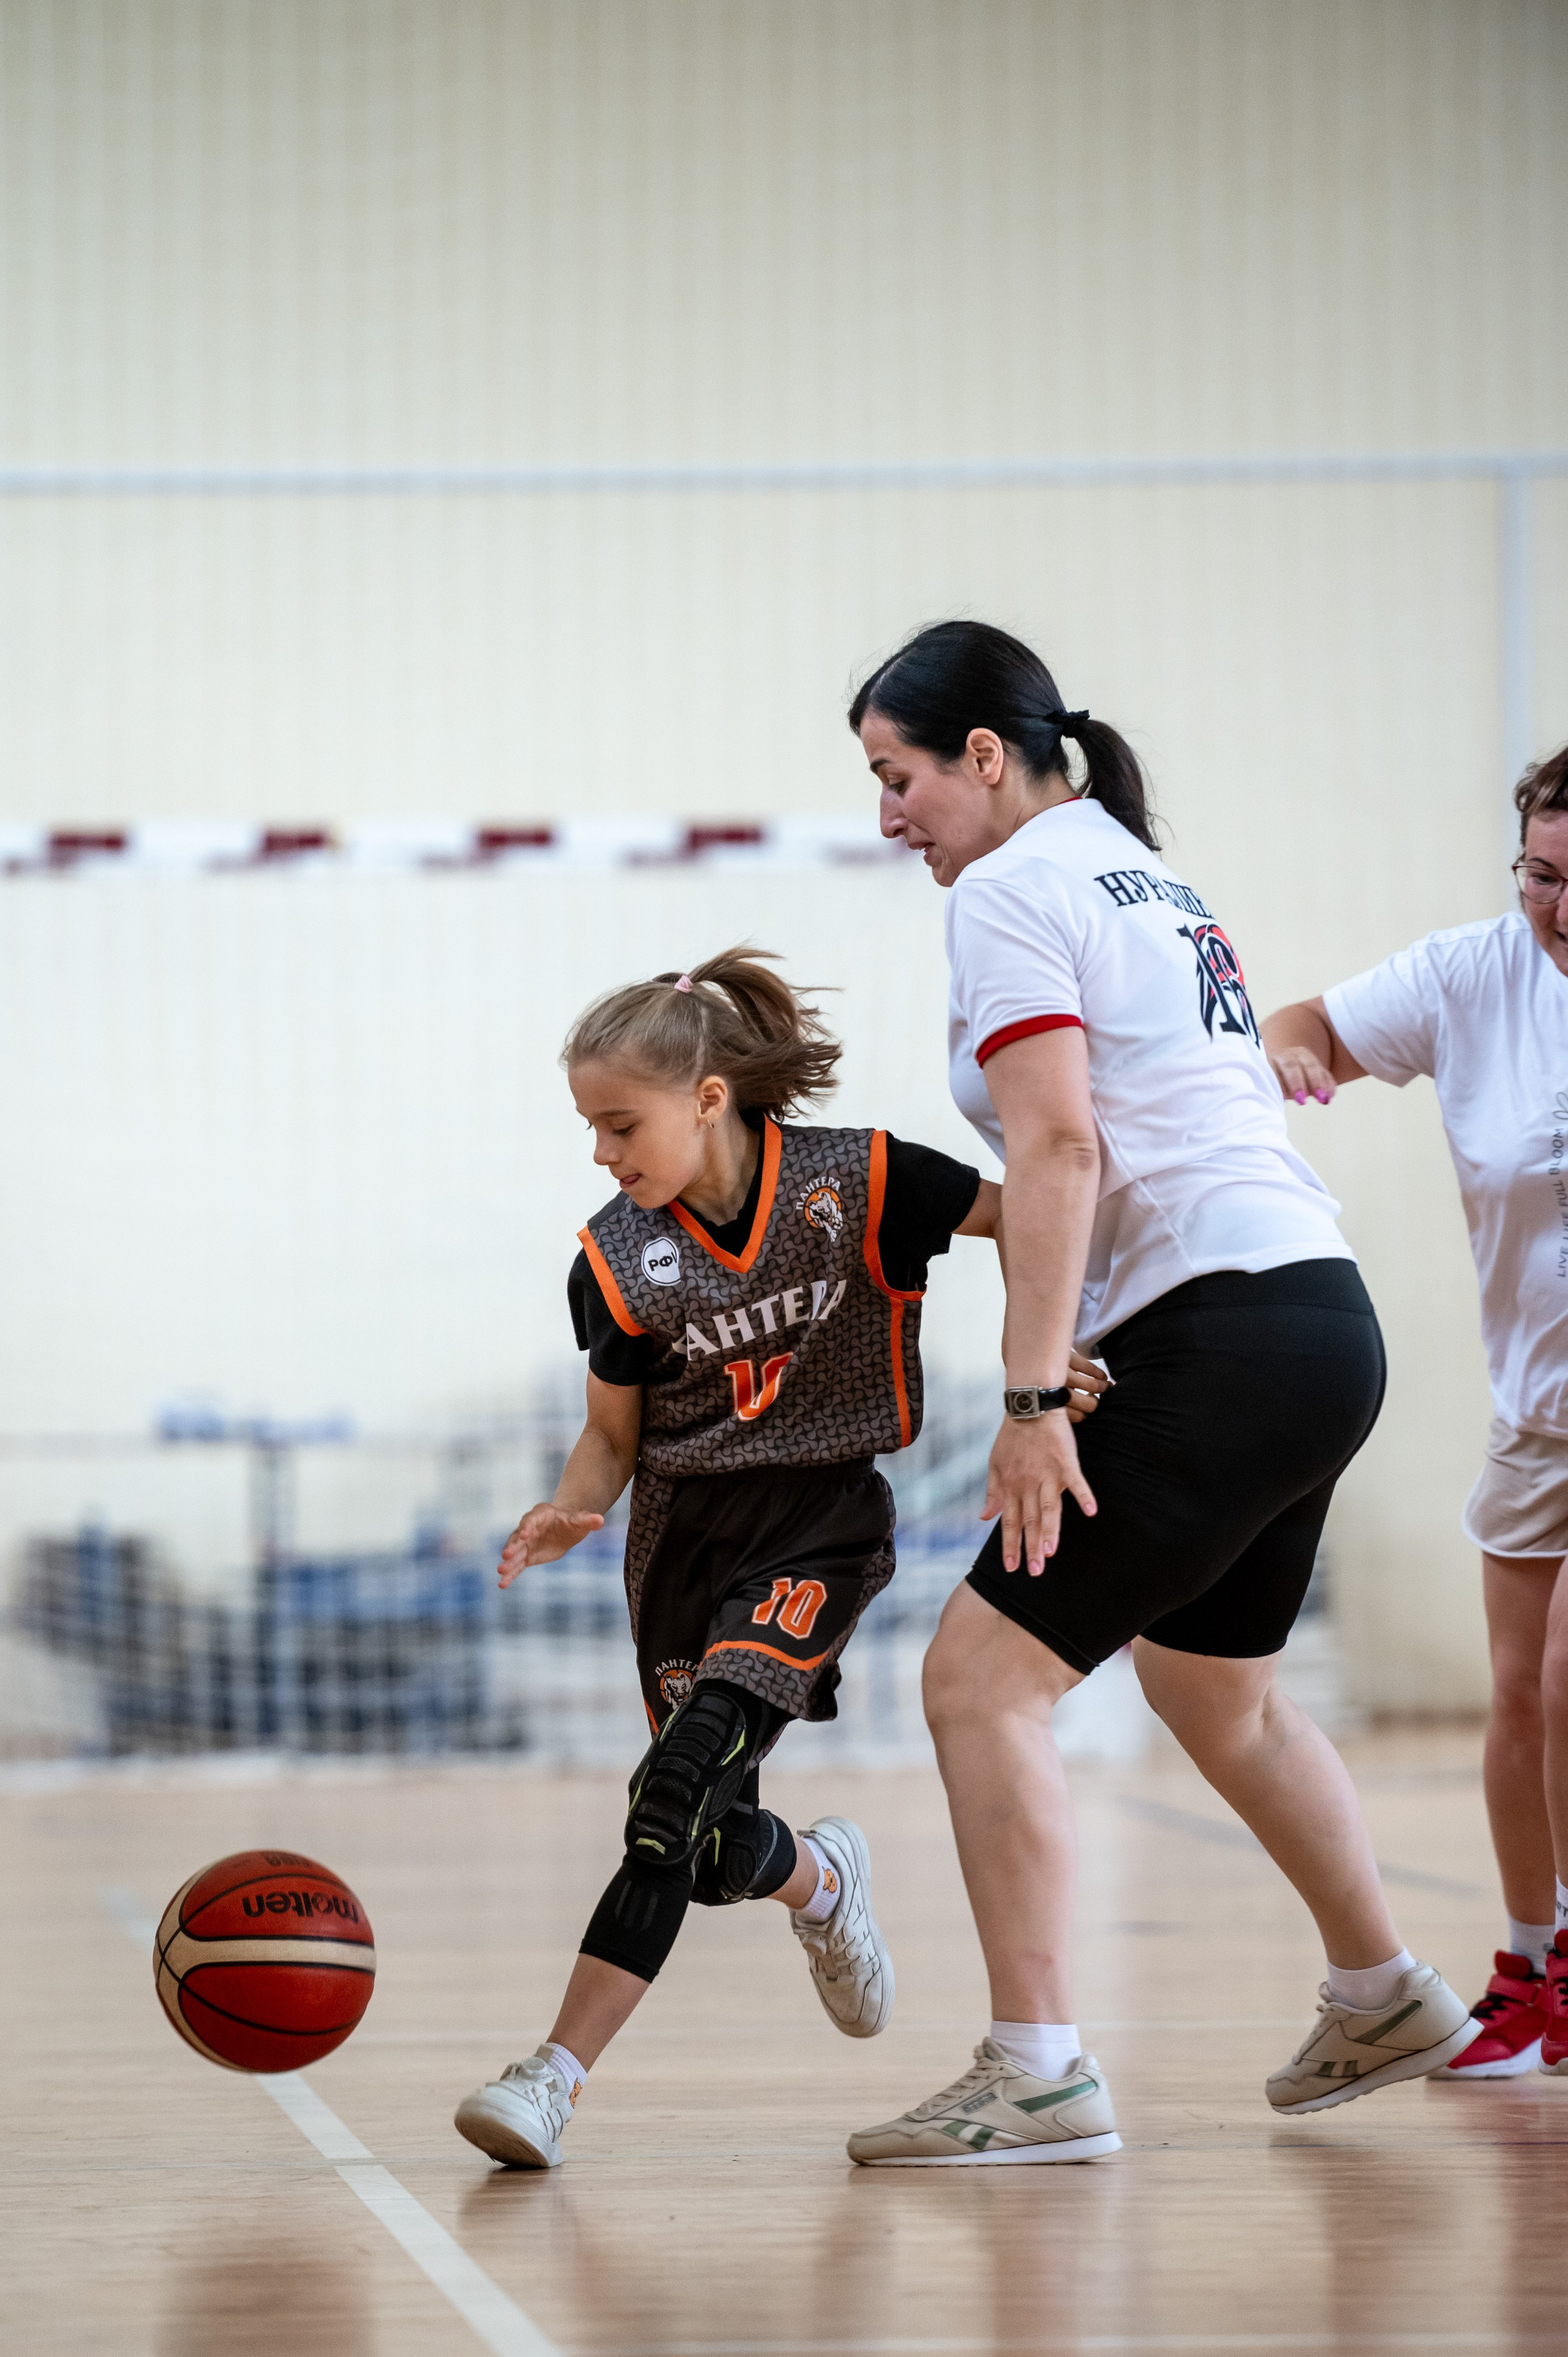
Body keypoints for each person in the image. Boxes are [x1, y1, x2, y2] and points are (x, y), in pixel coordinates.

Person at [840, 619, 1479, 2168]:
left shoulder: (1009, 886)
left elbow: (1060, 1149)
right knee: (1216, 1691)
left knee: (979, 1681)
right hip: (1317, 1320)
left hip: (1217, 1326)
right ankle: (1381, 1989)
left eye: (897, 774)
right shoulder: (1138, 869)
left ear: (983, 756)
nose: (886, 815)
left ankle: (1038, 2071)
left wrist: (1032, 1399)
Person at [453, 946, 1108, 2168]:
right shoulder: (613, 1260)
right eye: (590, 1130)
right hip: (680, 1541)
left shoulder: (855, 1179)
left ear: (708, 1098)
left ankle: (548, 2075)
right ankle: (817, 1879)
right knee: (699, 1847)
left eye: (616, 1124)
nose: (602, 1153)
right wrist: (568, 1503)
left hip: (819, 1521)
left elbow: (1024, 1205)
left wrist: (1047, 1354)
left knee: (669, 1788)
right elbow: (610, 1441)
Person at [1262, 742, 1568, 2083]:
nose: (1553, 907)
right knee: (1512, 1698)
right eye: (1538, 875)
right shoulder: (1468, 975)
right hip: (1534, 1400)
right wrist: (1285, 1065)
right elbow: (1305, 1026)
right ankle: (1525, 1971)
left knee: (1564, 1688)